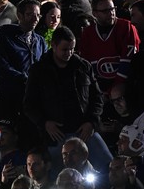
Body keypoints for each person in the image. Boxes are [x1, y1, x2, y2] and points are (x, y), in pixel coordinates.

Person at [24, 26, 112, 175]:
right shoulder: (39, 71)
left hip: (84, 131)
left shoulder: (83, 66)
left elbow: (97, 97)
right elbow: (29, 105)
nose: (69, 53)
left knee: (109, 167)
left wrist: (91, 122)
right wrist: (45, 123)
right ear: (53, 45)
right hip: (57, 135)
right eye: (65, 50)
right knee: (58, 178)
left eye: (72, 49)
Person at [0, 0, 46, 123]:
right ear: (19, 15)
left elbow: (44, 66)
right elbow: (0, 65)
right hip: (10, 95)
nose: (35, 19)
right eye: (30, 14)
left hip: (32, 96)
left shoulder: (40, 41)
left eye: (38, 15)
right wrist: (24, 78)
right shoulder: (6, 36)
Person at [79, 0, 140, 94]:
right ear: (94, 13)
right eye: (105, 11)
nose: (111, 13)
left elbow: (128, 60)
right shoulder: (88, 33)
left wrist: (114, 89)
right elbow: (86, 63)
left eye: (112, 9)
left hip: (124, 88)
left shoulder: (126, 27)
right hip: (100, 88)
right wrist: (97, 89)